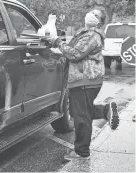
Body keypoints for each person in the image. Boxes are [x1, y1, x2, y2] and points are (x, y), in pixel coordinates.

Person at [46, 9, 119, 160]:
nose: (91, 15)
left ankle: (81, 151)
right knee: (77, 111)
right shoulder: (85, 32)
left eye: (96, 15)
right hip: (83, 80)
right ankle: (105, 110)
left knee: (81, 116)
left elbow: (75, 53)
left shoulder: (92, 35)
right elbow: (73, 49)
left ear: (99, 21)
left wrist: (57, 41)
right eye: (91, 12)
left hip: (85, 80)